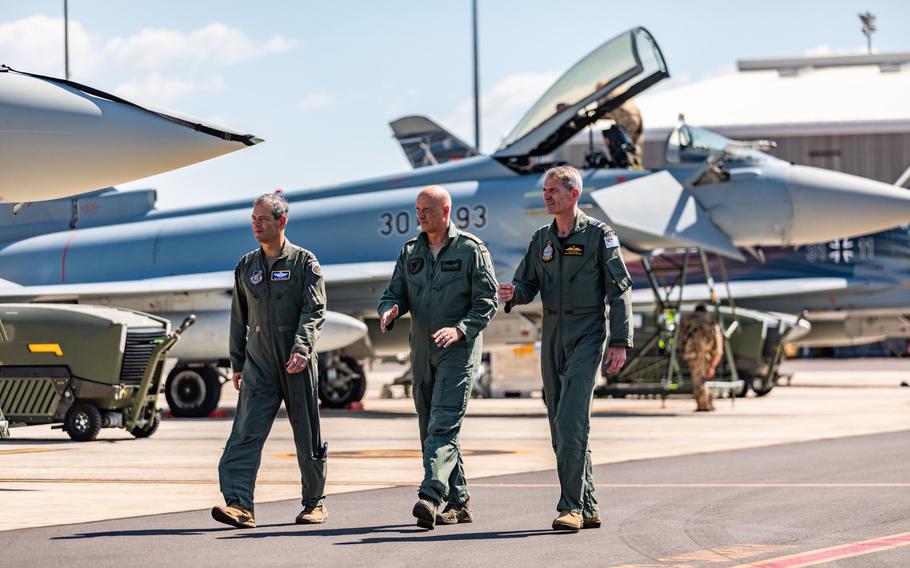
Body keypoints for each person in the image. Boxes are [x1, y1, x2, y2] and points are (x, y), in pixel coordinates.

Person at [498, 165, 633, 532]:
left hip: (588, 329)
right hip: (553, 329)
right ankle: (588, 504)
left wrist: (619, 341)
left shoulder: (600, 236)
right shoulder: (541, 237)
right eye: (545, 190)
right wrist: (513, 294)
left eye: (553, 190)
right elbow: (527, 285)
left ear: (574, 194)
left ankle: (569, 505)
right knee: (558, 419)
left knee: (572, 418)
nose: (546, 196)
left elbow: (619, 290)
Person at [378, 185, 498, 530]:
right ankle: (459, 502)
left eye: (427, 210)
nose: (420, 216)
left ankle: (430, 496)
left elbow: (487, 301)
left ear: (446, 211)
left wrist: (461, 328)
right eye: (418, 210)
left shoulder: (471, 249)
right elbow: (393, 292)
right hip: (422, 351)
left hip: (457, 351)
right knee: (430, 425)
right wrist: (390, 310)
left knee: (443, 424)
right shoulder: (411, 251)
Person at [212, 193, 328, 529]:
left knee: (307, 434)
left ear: (281, 221)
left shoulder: (304, 263)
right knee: (245, 432)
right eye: (253, 219)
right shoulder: (247, 266)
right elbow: (239, 318)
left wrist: (303, 348)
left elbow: (315, 310)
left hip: (297, 362)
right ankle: (239, 504)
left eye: (263, 219)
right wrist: (236, 363)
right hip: (259, 362)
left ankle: (314, 503)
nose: (256, 225)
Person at [679, 304, 724, 412]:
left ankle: (703, 405)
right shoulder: (712, 321)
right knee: (704, 379)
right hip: (708, 354)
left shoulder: (688, 320)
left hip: (693, 354)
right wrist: (713, 365)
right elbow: (718, 349)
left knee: (698, 380)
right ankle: (708, 403)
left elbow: (681, 339)